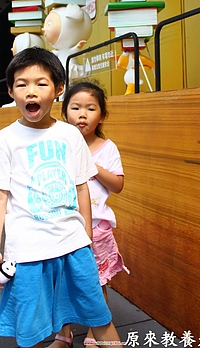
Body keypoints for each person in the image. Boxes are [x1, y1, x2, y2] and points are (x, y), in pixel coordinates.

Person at [0, 48, 121, 348]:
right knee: (32, 330)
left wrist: (87, 238)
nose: (31, 91)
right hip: (27, 253)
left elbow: (82, 188)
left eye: (41, 83)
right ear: (10, 91)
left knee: (99, 316)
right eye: (21, 84)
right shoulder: (4, 141)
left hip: (73, 245)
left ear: (58, 89)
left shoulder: (70, 136)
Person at [53, 81, 129, 348]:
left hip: (97, 229)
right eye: (75, 108)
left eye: (90, 108)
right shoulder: (58, 145)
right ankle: (63, 335)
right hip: (63, 226)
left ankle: (94, 335)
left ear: (102, 115)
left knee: (96, 283)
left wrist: (91, 165)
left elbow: (118, 185)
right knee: (61, 283)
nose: (82, 114)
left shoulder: (107, 148)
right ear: (65, 112)